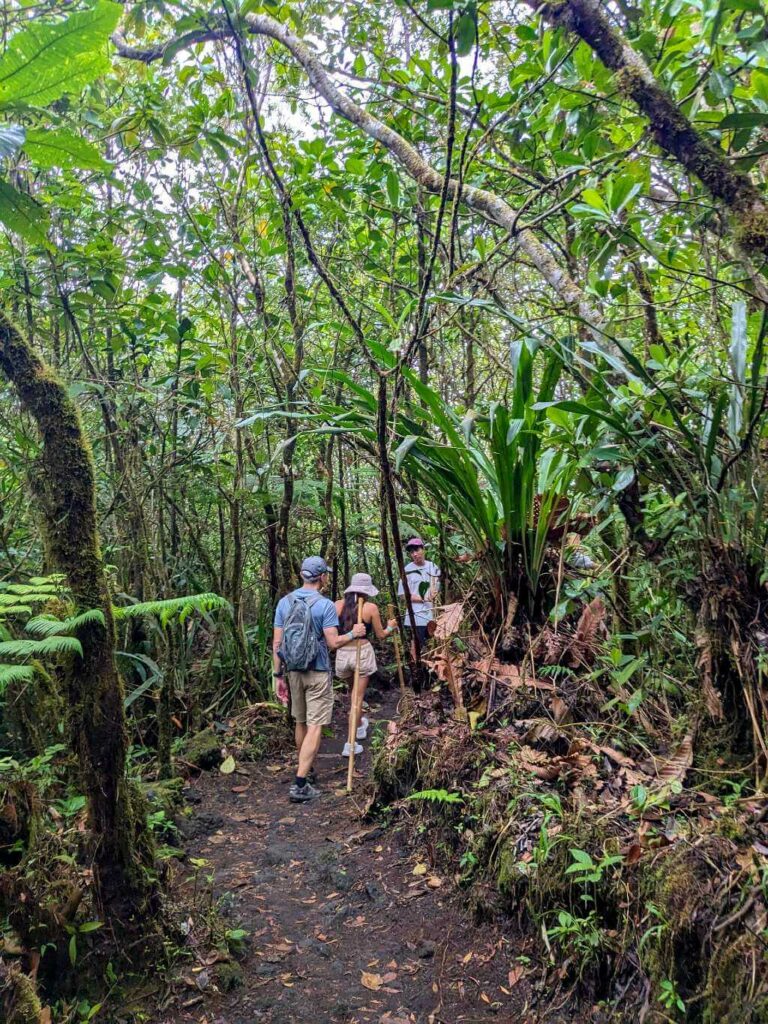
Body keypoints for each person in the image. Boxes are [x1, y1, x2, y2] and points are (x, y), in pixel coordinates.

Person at [273, 556, 366, 803]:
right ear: (322, 577)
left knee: (300, 721)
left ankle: (308, 770)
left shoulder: (284, 602)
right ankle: (300, 783)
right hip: (318, 670)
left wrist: (277, 675)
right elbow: (333, 642)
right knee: (316, 724)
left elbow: (277, 643)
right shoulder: (324, 605)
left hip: (292, 671)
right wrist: (353, 633)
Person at [334, 573, 397, 758]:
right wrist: (391, 627)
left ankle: (360, 725)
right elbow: (381, 635)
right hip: (361, 654)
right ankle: (350, 744)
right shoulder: (370, 608)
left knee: (353, 693)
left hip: (343, 654)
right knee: (357, 699)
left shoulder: (337, 605)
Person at [397, 536, 440, 659]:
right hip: (415, 616)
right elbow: (403, 595)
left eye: (417, 550)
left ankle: (432, 671)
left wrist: (433, 594)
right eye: (412, 552)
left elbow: (437, 587)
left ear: (423, 549)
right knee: (416, 646)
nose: (415, 554)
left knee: (433, 645)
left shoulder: (433, 567)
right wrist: (423, 598)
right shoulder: (407, 570)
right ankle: (417, 671)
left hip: (432, 614)